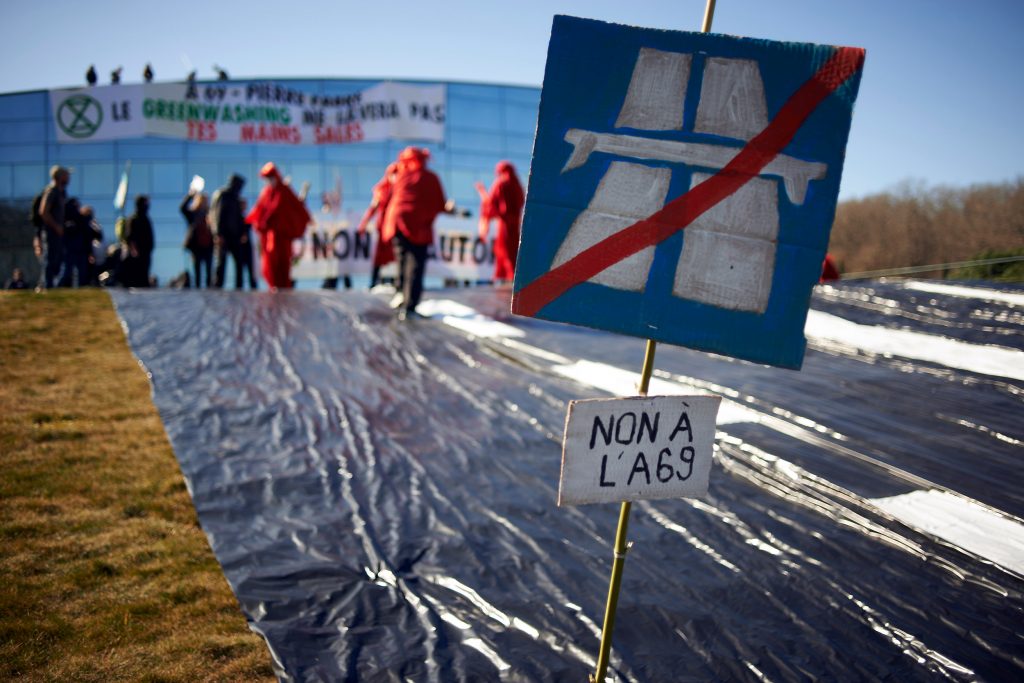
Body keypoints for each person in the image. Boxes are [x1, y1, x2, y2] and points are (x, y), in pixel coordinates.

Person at [383, 147, 453, 320]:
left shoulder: (401, 176)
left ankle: (401, 295)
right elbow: (439, 204)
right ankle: (409, 305)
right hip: (417, 226)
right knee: (415, 264)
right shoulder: (430, 178)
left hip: (397, 223)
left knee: (402, 260)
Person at [245, 163, 311, 291]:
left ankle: (283, 286)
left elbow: (295, 207)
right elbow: (259, 209)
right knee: (270, 261)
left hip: (283, 235)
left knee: (283, 262)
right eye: (267, 178)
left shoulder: (284, 190)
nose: (269, 181)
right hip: (270, 235)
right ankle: (274, 285)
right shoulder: (267, 192)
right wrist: (259, 222)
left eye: (271, 177)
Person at [475, 160, 525, 283]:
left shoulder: (500, 184)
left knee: (505, 254)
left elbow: (490, 205)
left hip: (504, 227)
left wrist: (482, 192)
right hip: (515, 226)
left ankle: (508, 282)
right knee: (512, 254)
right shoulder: (517, 185)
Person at [357, 163, 398, 290]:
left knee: (398, 255)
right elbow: (373, 207)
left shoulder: (402, 189)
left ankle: (398, 282)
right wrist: (364, 223)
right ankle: (374, 281)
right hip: (384, 228)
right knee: (380, 256)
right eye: (394, 174)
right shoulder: (382, 189)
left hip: (397, 227)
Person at [210, 173, 253, 289]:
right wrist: (218, 234)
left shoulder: (235, 197)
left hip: (235, 236)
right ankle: (217, 287)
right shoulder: (223, 194)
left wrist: (243, 232)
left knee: (239, 263)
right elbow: (217, 214)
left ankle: (239, 288)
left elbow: (239, 217)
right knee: (220, 263)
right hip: (224, 235)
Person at [37, 165, 71, 289]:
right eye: (67, 175)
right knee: (50, 259)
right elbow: (43, 211)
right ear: (60, 176)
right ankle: (46, 286)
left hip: (57, 232)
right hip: (51, 232)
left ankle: (50, 285)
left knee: (57, 260)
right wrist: (56, 226)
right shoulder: (52, 191)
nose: (69, 178)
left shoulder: (61, 192)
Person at [180, 191, 214, 288]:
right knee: (197, 270)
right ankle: (198, 289)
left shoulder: (210, 213)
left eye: (206, 200)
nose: (204, 202)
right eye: (202, 200)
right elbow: (182, 208)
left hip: (208, 245)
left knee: (209, 270)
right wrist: (190, 195)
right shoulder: (193, 214)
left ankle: (209, 290)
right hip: (196, 246)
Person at [59, 197, 93, 287]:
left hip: (79, 249)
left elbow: (88, 235)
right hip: (71, 248)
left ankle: (76, 285)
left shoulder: (81, 220)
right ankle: (64, 285)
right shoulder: (67, 220)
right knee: (68, 270)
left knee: (78, 270)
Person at [122, 195, 154, 287]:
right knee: (138, 276)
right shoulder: (134, 218)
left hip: (145, 252)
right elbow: (130, 236)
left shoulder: (145, 217)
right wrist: (133, 249)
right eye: (146, 203)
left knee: (144, 274)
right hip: (138, 253)